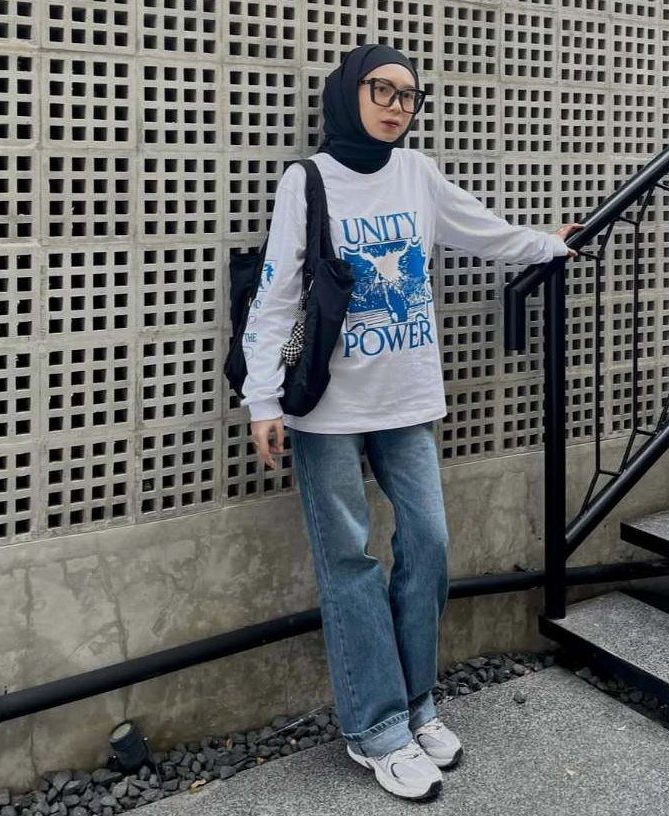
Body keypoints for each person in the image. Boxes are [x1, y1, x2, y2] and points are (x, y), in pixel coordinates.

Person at [240, 43, 583, 801]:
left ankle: (418, 704)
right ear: (348, 93)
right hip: (327, 407)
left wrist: (548, 246)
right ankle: (376, 730)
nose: (397, 106)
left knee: (428, 545)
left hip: (408, 398)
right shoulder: (308, 180)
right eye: (382, 90)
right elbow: (277, 289)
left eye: (409, 96)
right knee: (351, 564)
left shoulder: (418, 172)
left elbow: (479, 229)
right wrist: (262, 399)